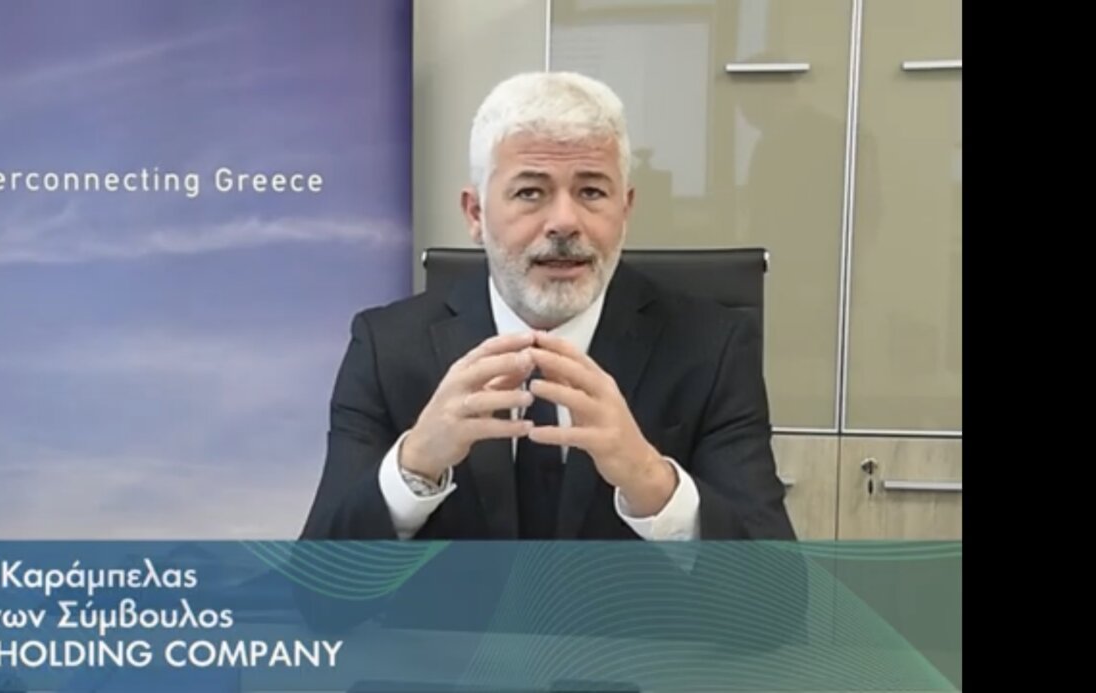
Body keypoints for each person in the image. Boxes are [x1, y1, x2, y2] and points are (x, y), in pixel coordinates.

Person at [300, 71, 795, 541]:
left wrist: (649, 479)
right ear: (475, 214)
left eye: (591, 192)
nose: (564, 222)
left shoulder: (711, 349)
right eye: (530, 192)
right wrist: (415, 465)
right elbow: (318, 583)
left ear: (625, 210)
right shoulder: (386, 349)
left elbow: (777, 590)